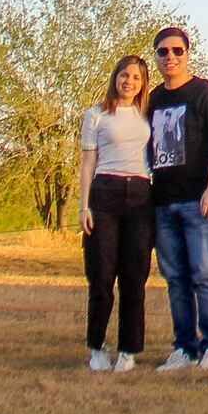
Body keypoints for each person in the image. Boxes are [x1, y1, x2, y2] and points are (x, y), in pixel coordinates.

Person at [146, 26, 208, 372]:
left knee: (205, 274)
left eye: (177, 51)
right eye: (163, 52)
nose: (170, 57)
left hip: (201, 202)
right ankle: (185, 348)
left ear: (187, 53)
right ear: (156, 57)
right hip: (164, 202)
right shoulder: (152, 99)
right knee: (176, 278)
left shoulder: (206, 95)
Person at [76, 53, 156, 373]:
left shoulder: (148, 115)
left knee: (134, 278)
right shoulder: (95, 115)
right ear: (115, 77)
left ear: (142, 83)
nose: (129, 82)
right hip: (104, 195)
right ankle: (97, 347)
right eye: (125, 75)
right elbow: (87, 163)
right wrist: (84, 206)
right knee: (101, 276)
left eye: (136, 78)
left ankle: (128, 350)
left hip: (140, 196)